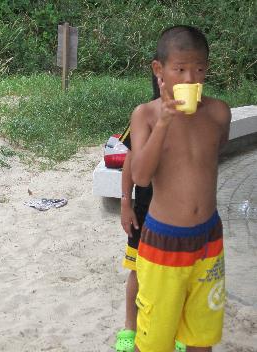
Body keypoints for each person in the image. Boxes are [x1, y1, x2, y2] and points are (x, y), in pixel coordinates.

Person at [130, 25, 231, 352]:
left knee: (201, 336)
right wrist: (165, 122)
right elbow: (141, 177)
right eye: (180, 69)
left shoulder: (218, 112)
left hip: (208, 240)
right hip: (163, 244)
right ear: (159, 70)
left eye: (199, 69)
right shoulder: (145, 115)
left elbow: (213, 158)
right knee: (156, 341)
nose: (190, 79)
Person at [115, 76, 185, 352]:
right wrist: (125, 203)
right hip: (145, 211)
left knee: (180, 275)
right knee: (137, 271)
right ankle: (130, 329)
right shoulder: (144, 119)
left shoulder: (195, 123)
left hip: (179, 216)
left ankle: (180, 332)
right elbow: (129, 164)